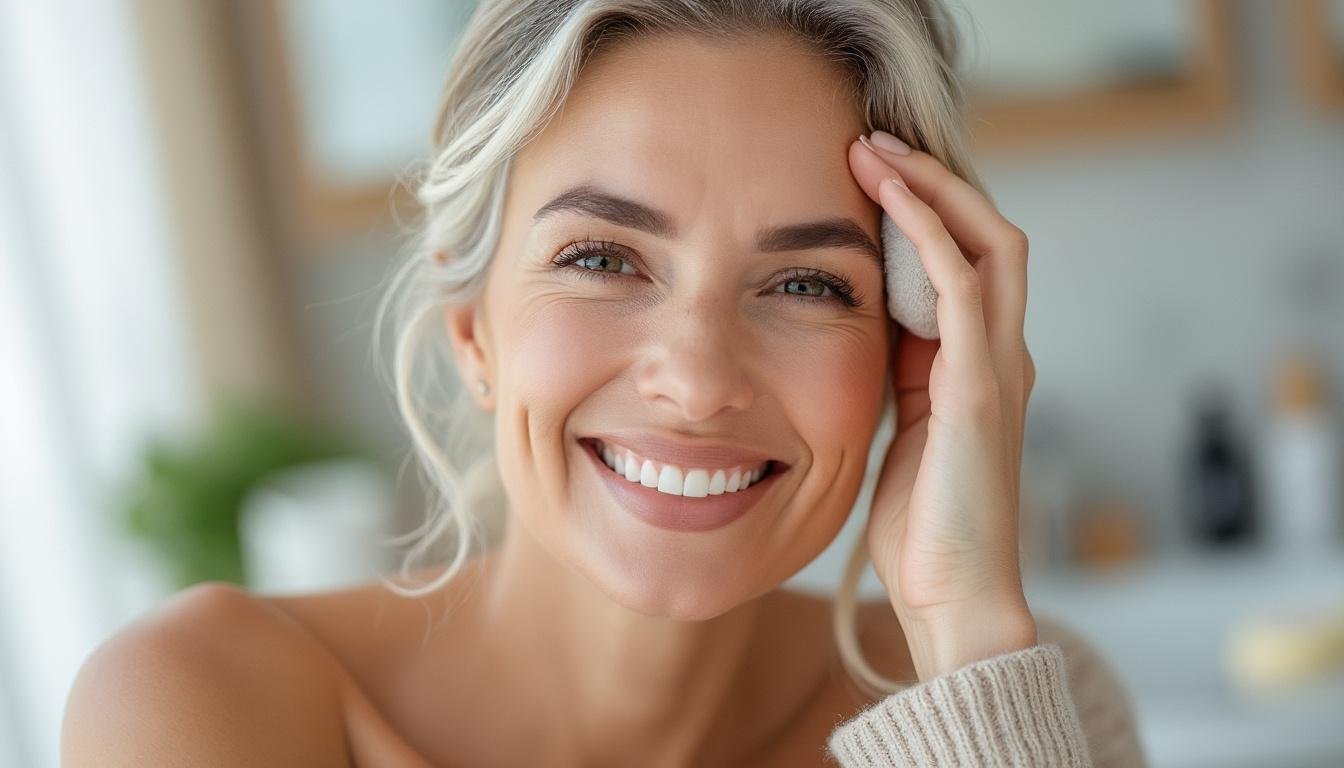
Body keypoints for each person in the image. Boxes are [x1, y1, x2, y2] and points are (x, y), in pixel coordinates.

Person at [62, 1, 1147, 765]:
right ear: (473, 331)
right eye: (601, 258)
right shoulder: (205, 704)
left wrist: (964, 639)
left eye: (809, 282)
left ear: (912, 352)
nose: (696, 378)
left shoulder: (1023, 704)